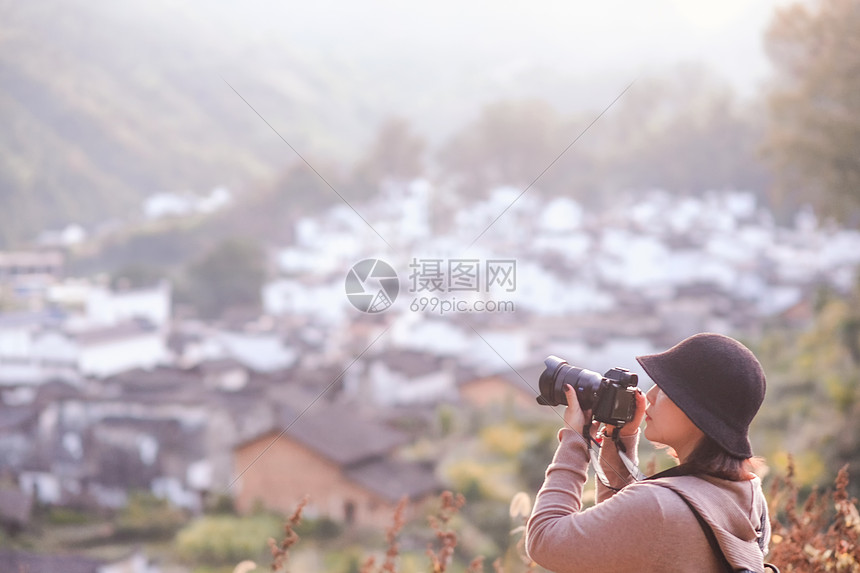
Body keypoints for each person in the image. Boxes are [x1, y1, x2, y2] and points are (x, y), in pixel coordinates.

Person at [526, 332, 772, 573]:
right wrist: (618, 440)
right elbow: (627, 538)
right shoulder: (751, 498)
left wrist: (576, 439)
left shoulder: (659, 508)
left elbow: (545, 539)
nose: (650, 395)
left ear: (697, 412)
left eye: (665, 388)